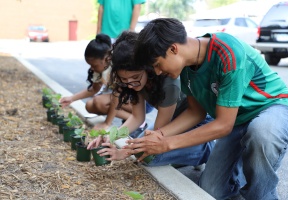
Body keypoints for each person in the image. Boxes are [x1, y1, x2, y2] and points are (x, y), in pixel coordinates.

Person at [124, 18, 288, 199]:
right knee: (211, 190)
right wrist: (160, 135)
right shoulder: (186, 66)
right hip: (237, 120)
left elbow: (223, 125)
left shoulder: (228, 54)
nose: (157, 72)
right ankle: (245, 170)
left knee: (262, 133)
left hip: (271, 106)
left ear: (173, 49)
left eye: (156, 64)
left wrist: (167, 144)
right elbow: (196, 112)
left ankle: (261, 195)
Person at [87, 31, 214, 167]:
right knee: (143, 150)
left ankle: (204, 150)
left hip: (192, 123)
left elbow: (159, 131)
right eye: (124, 80)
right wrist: (110, 137)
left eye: (135, 78)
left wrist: (124, 152)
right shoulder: (134, 82)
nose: (130, 84)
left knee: (148, 156)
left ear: (147, 68)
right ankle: (184, 154)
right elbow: (137, 118)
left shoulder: (168, 82)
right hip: (171, 122)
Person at [59, 33, 151, 132]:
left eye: (94, 65)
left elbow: (117, 96)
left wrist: (107, 123)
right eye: (90, 65)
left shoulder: (117, 68)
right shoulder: (99, 70)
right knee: (90, 105)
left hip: (142, 102)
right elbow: (94, 89)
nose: (92, 68)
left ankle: (138, 122)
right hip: (127, 99)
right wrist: (71, 98)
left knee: (99, 101)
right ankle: (133, 119)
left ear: (106, 58)